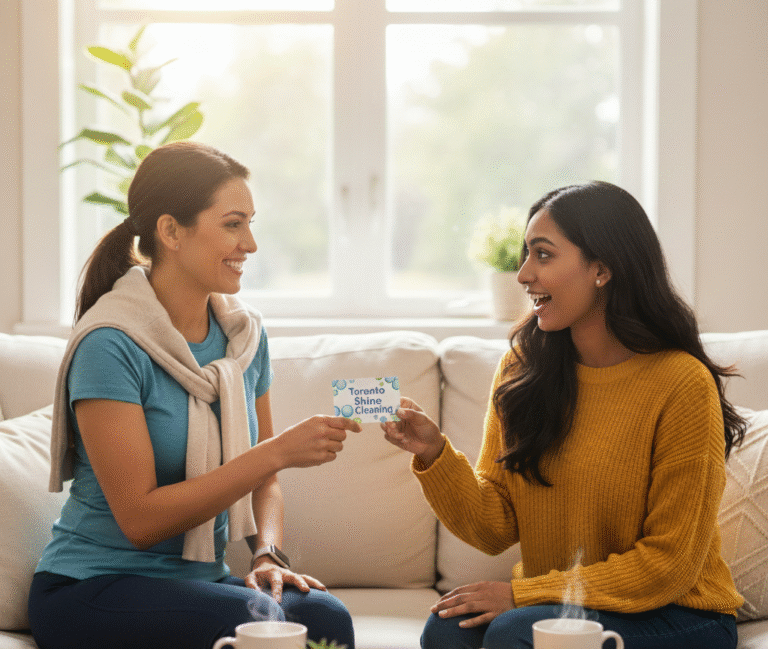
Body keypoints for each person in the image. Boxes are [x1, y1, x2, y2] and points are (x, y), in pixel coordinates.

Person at [382, 181, 747, 649]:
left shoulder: (680, 383)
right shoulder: (523, 369)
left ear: (602, 269)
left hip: (678, 613)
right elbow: (494, 528)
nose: (523, 274)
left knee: (519, 633)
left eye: (543, 255)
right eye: (525, 254)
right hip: (558, 605)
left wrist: (524, 595)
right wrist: (434, 453)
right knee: (448, 630)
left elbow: (669, 565)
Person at [28, 141, 359, 649]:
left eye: (251, 223)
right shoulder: (110, 343)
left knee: (326, 616)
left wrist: (267, 554)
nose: (249, 243)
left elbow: (265, 479)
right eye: (232, 224)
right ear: (170, 231)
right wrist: (276, 451)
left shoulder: (244, 339)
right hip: (94, 587)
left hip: (199, 582)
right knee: (267, 623)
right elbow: (141, 520)